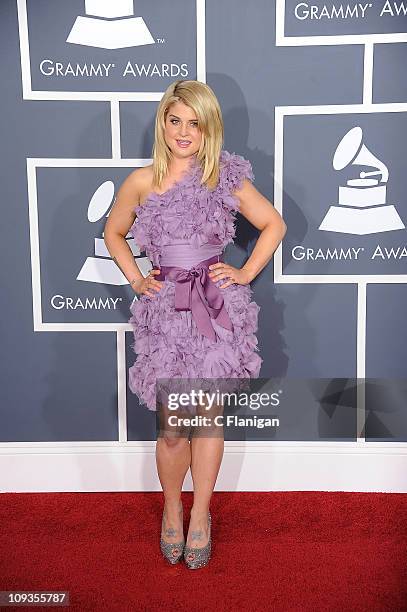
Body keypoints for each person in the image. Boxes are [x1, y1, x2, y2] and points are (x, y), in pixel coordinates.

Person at [104, 79, 286, 569]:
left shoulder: (223, 176)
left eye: (195, 122)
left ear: (210, 130)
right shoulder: (141, 181)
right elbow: (113, 232)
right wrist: (137, 277)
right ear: (163, 122)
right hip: (166, 314)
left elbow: (274, 223)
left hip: (216, 308)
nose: (184, 131)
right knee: (171, 429)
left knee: (206, 421)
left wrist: (245, 272)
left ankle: (200, 515)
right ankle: (171, 511)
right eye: (175, 119)